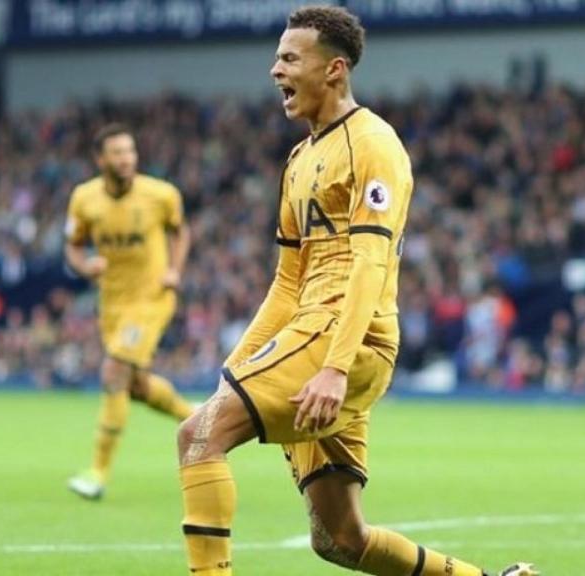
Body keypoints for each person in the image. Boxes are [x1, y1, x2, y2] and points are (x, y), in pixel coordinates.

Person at [174, 6, 536, 576]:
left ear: (335, 69)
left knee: (198, 437)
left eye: (290, 58)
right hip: (309, 337)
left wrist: (336, 368)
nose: (275, 70)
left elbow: (369, 261)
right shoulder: (298, 160)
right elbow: (287, 282)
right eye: (276, 57)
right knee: (340, 538)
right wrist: (236, 367)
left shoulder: (374, 144)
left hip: (345, 341)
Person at [64, 123, 195, 500]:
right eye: (118, 152)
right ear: (100, 159)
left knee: (114, 371)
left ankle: (97, 473)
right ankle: (194, 417)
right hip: (113, 304)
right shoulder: (84, 198)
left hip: (151, 298)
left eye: (130, 151)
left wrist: (174, 270)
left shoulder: (160, 194)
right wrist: (84, 265)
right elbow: (72, 245)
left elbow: (180, 231)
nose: (126, 159)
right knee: (135, 386)